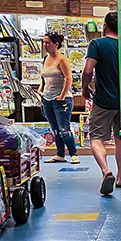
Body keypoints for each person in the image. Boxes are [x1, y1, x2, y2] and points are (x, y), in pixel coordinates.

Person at [82, 12, 121, 196]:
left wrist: (85, 88)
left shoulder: (97, 44)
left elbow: (88, 70)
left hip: (103, 100)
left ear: (104, 25)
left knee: (96, 137)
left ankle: (106, 170)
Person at [38, 32, 79, 164]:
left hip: (62, 100)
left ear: (56, 45)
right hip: (47, 99)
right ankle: (60, 154)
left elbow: (68, 78)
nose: (45, 45)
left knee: (64, 129)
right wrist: (40, 91)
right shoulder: (46, 59)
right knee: (55, 129)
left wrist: (62, 96)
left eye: (48, 43)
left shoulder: (62, 59)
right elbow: (43, 78)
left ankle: (73, 154)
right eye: (44, 42)